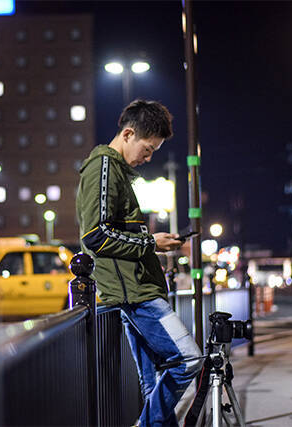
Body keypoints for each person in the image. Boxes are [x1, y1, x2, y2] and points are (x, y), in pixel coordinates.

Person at [76, 99, 202, 426]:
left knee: (151, 384)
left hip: (133, 290)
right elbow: (95, 235)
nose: (148, 158)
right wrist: (151, 242)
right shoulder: (103, 167)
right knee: (188, 359)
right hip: (133, 293)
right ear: (128, 134)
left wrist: (154, 243)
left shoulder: (115, 169)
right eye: (147, 149)